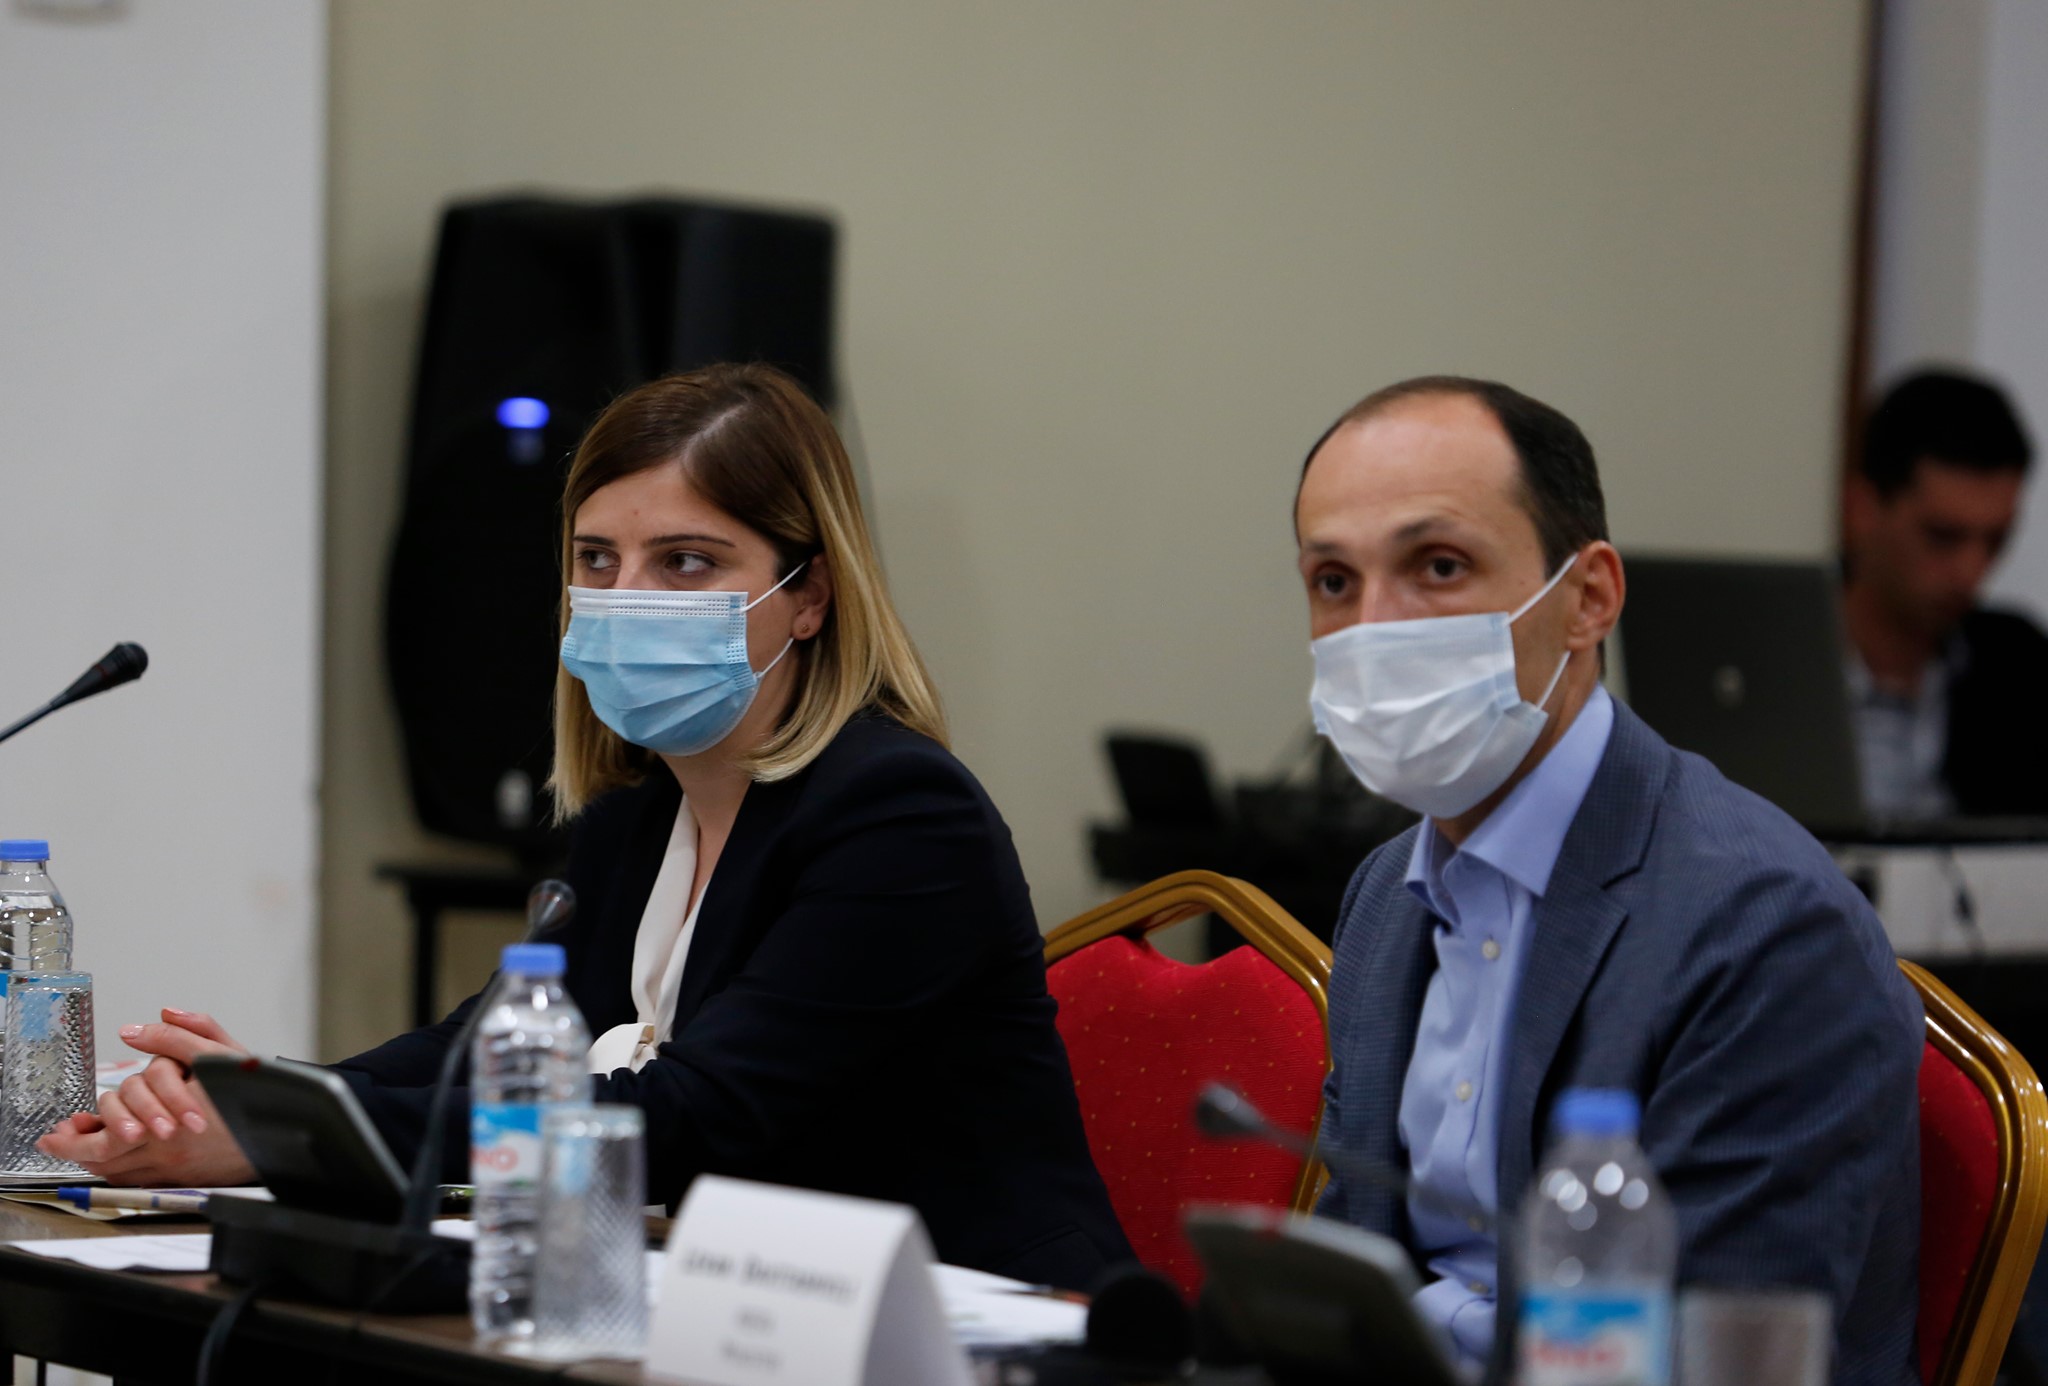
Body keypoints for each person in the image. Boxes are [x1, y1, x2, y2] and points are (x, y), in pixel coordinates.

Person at [40, 363, 1133, 1291]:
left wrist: (284, 1137)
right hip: (735, 1305)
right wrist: (270, 1100)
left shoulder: (902, 815)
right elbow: (474, 1050)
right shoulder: (635, 820)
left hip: (971, 1322)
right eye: (597, 559)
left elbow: (692, 1113)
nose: (626, 595)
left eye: (687, 562)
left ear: (810, 598)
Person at [1299, 377, 1923, 1382]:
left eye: (1438, 566)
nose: (1375, 627)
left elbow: (1707, 1353)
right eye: (1333, 581)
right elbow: (1351, 1264)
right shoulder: (1384, 895)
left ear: (1587, 598)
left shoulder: (1763, 926)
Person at [1843, 368, 2047, 819]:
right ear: (1862, 509)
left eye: (1996, 541)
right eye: (1942, 536)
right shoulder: (1769, 659)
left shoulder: (2021, 669)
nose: (1972, 572)